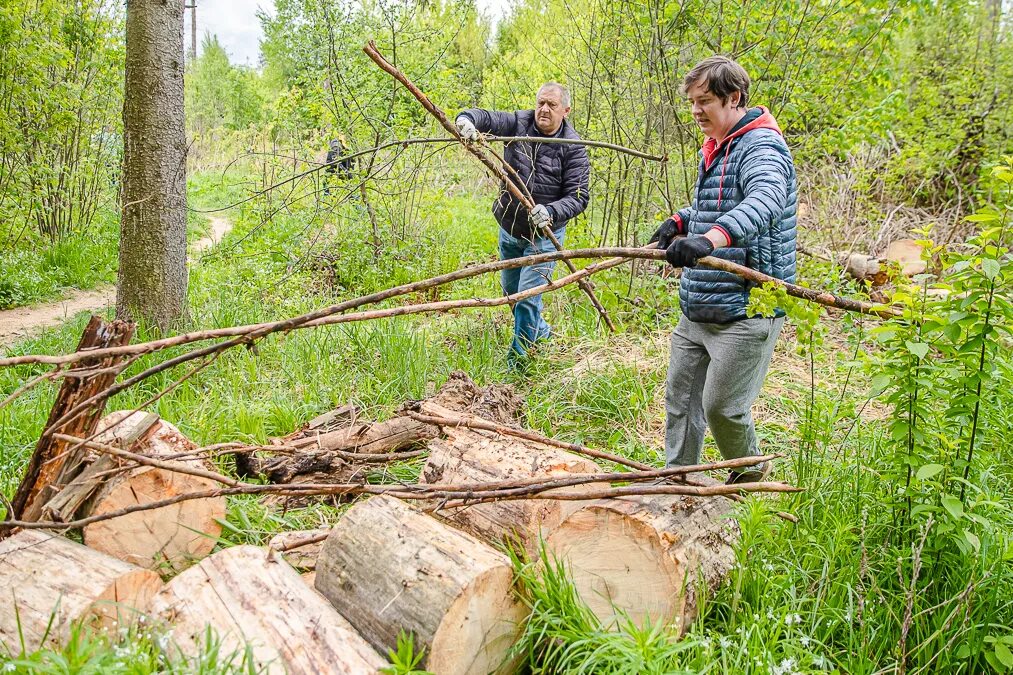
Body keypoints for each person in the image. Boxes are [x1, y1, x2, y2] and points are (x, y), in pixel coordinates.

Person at [650, 56, 797, 484]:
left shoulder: (763, 149)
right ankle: (678, 479)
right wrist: (681, 221)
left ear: (735, 98)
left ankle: (750, 477)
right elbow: (717, 204)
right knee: (680, 399)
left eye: (705, 101)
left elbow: (764, 202)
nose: (696, 111)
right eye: (692, 102)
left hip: (746, 307)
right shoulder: (718, 146)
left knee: (722, 408)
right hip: (700, 301)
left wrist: (707, 239)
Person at [455, 83, 590, 363]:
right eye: (541, 102)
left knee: (528, 298)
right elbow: (485, 117)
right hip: (510, 228)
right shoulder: (519, 122)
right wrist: (465, 121)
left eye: (552, 105)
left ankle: (518, 364)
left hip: (543, 235)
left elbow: (579, 196)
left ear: (565, 111)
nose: (543, 109)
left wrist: (550, 211)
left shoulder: (573, 147)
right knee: (512, 295)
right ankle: (542, 334)